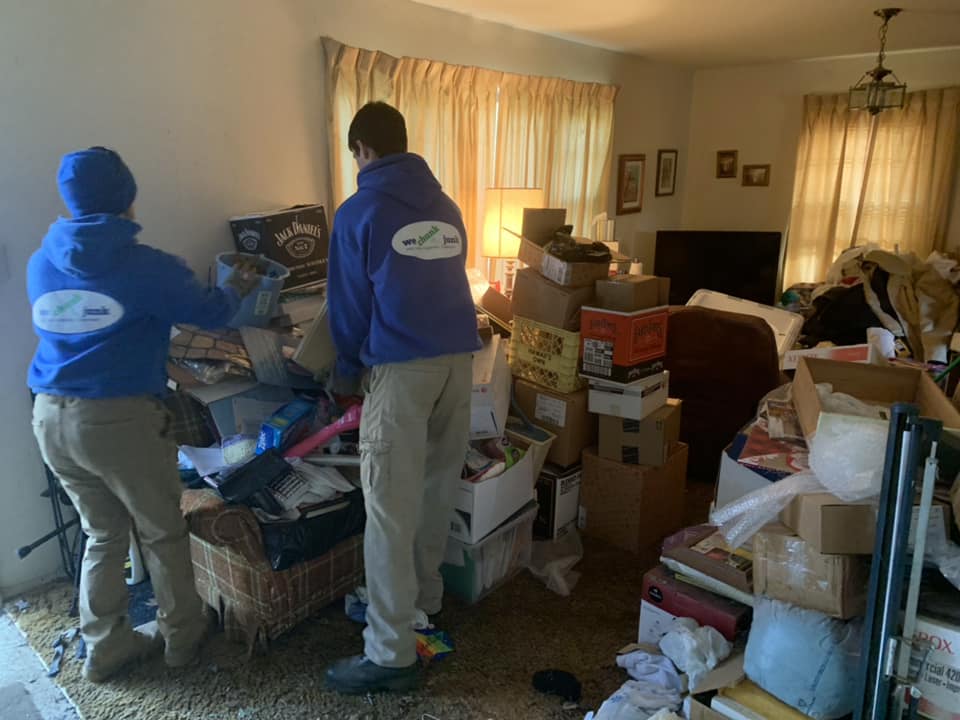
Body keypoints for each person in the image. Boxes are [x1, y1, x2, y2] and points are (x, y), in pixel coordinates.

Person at [27, 147, 258, 683]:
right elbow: (211, 312)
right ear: (128, 197)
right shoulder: (145, 264)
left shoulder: (43, 261)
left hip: (51, 417)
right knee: (160, 532)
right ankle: (182, 639)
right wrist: (237, 286)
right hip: (119, 422)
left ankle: (104, 650)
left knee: (102, 534)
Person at [325, 102, 481, 694]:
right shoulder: (446, 207)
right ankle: (423, 601)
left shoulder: (358, 212)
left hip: (402, 369)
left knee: (387, 511)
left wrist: (344, 371)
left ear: (362, 149)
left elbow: (348, 308)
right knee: (435, 488)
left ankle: (389, 654)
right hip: (457, 364)